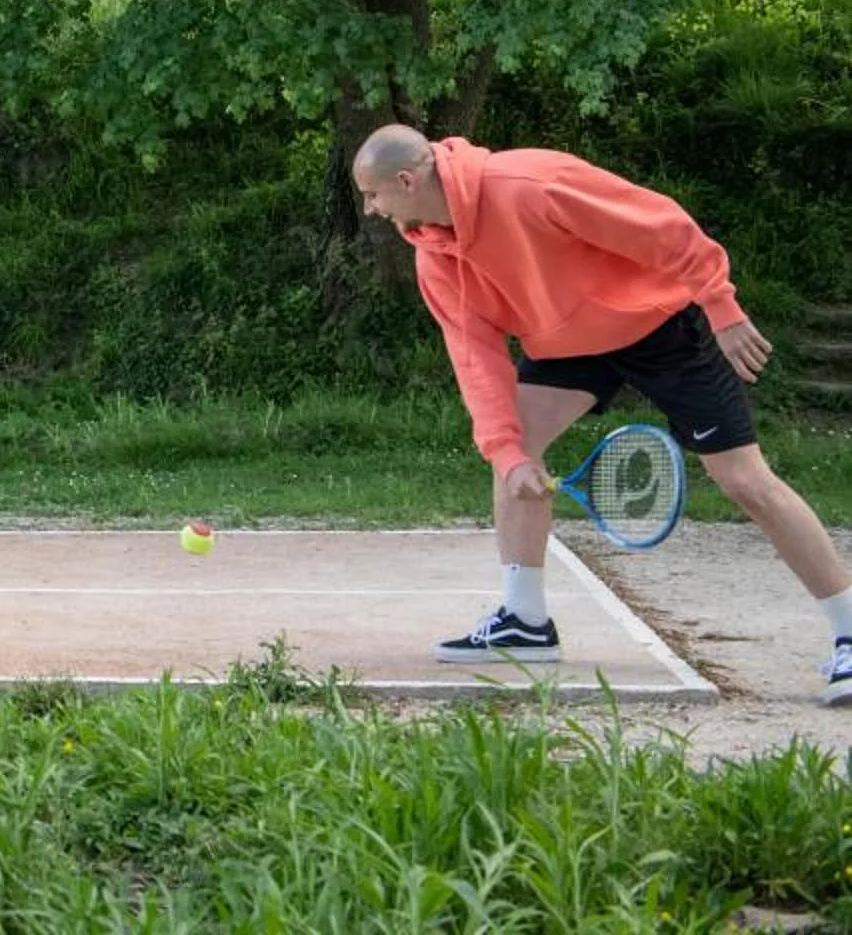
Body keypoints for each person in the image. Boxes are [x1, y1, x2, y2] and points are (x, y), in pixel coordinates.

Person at [354, 123, 852, 701]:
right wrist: (507, 451)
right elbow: (475, 359)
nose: (369, 209)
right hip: (567, 347)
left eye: (373, 195)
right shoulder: (436, 256)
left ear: (408, 180)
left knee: (744, 480)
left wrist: (720, 303)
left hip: (659, 326)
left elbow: (658, 224)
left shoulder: (527, 183)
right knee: (514, 447)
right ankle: (524, 622)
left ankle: (849, 631)